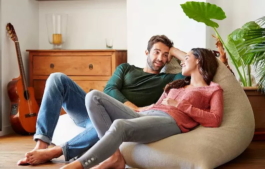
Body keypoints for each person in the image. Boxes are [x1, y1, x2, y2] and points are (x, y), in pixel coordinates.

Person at [18, 35, 186, 166]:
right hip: (94, 109)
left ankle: (56, 151)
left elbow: (192, 65)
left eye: (165, 55)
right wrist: (133, 107)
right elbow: (109, 90)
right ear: (147, 52)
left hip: (117, 119)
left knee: (115, 121)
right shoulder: (126, 68)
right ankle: (41, 145)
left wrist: (174, 50)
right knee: (57, 78)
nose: (160, 58)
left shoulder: (168, 79)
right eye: (157, 51)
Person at [56, 48, 224, 169]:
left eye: (187, 58)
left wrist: (181, 105)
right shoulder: (177, 85)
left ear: (199, 61)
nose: (182, 61)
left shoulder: (213, 89)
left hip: (170, 121)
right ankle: (115, 157)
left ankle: (80, 165)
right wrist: (138, 110)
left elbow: (215, 120)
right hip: (148, 114)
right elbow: (156, 106)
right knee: (93, 96)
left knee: (120, 125)